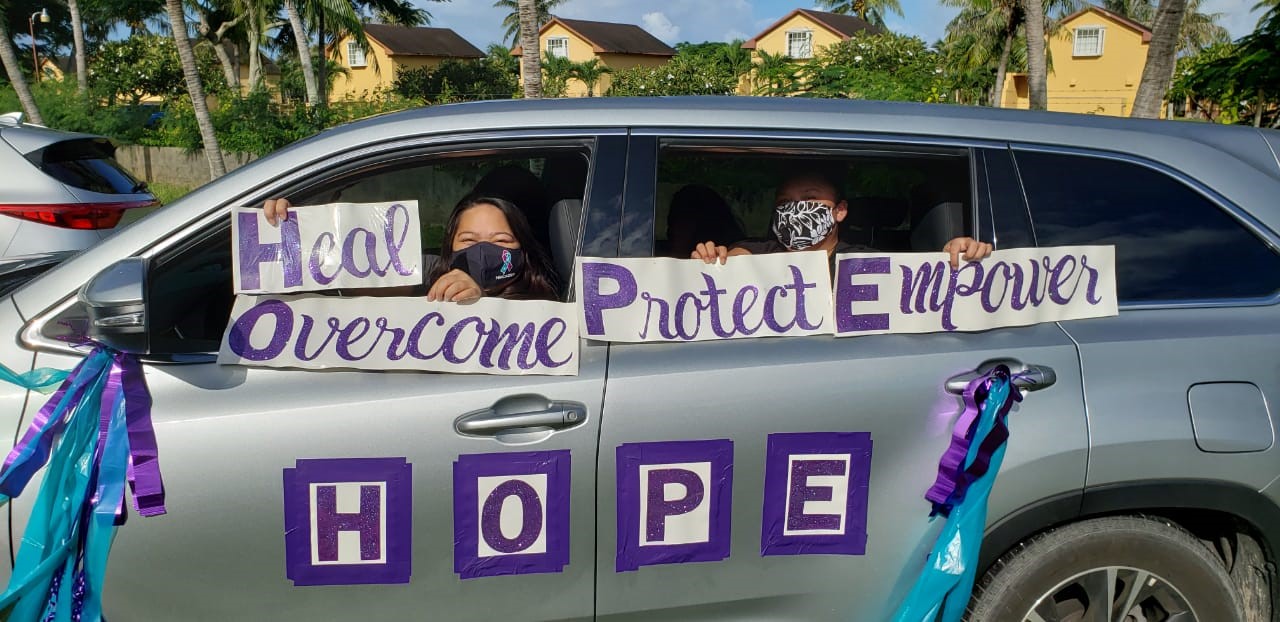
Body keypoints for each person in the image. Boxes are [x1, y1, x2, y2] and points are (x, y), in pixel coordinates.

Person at [261, 195, 558, 302]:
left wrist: (479, 301)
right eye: (468, 241)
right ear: (450, 248)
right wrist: (297, 228)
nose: (482, 251)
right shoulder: (425, 276)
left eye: (501, 241)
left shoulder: (546, 304)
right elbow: (352, 279)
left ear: (524, 249)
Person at [691, 169, 992, 268]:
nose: (795, 209)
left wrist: (954, 257)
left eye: (809, 199)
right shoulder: (757, 252)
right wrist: (712, 260)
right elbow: (733, 259)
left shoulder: (867, 263)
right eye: (785, 202)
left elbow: (918, 280)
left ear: (840, 210)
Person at [665, 184, 746, 258]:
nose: (671, 231)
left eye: (682, 222)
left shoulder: (734, 259)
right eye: (672, 220)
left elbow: (753, 248)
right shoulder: (657, 256)